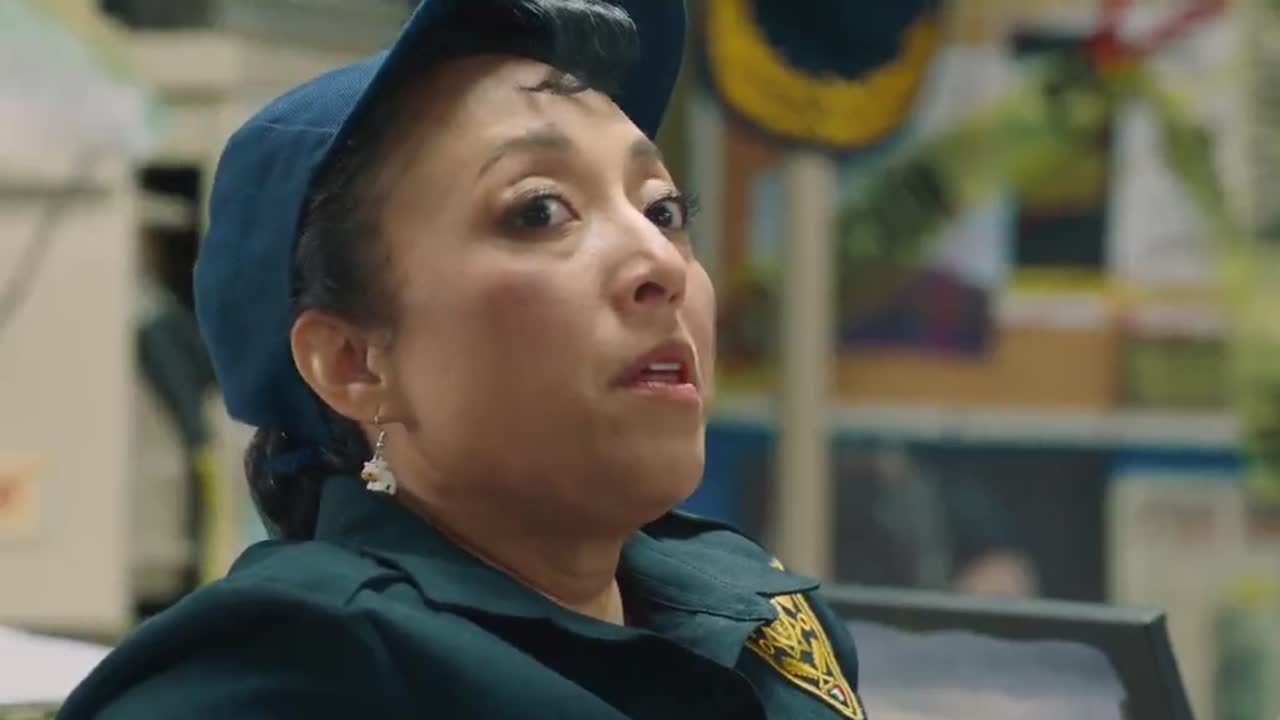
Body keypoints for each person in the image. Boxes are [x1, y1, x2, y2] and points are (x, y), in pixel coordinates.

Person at [59, 1, 866, 718]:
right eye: (540, 210)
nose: (660, 262)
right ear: (354, 364)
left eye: (663, 210)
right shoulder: (296, 670)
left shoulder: (761, 614)